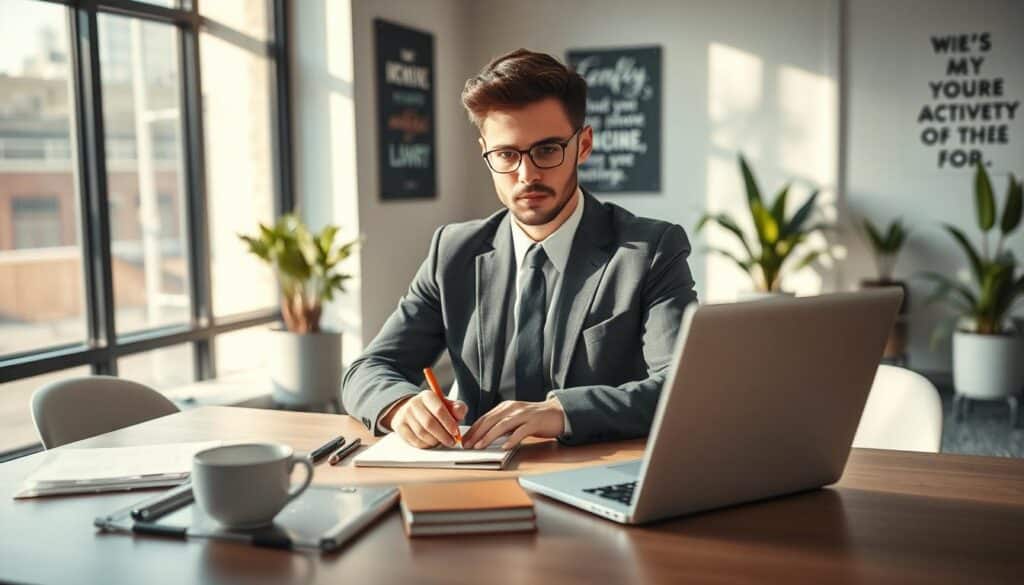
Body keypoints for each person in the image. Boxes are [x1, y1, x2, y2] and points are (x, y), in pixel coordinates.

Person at [342, 48, 696, 450]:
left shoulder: (651, 250)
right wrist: (401, 406)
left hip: (594, 475)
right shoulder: (453, 252)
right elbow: (367, 369)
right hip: (474, 481)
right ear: (486, 153)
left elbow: (679, 388)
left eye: (547, 150)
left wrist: (562, 412)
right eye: (507, 154)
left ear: (583, 145)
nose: (527, 175)